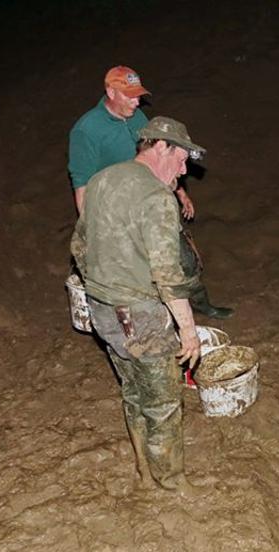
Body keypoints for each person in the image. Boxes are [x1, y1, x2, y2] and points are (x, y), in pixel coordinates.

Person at [70, 116, 209, 493]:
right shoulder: (156, 197)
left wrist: (104, 286)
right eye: (182, 159)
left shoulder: (101, 181)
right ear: (160, 146)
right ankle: (173, 484)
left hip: (103, 311)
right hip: (141, 317)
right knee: (163, 402)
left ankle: (144, 471)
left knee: (133, 391)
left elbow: (80, 246)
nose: (185, 170)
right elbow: (167, 273)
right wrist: (188, 330)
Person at [68, 66, 232, 320]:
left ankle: (199, 302)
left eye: (139, 95)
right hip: (118, 211)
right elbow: (82, 186)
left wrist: (179, 191)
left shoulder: (137, 118)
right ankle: (155, 320)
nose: (137, 101)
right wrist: (93, 230)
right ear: (110, 92)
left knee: (184, 258)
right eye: (129, 96)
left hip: (151, 200)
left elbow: (157, 157)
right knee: (139, 272)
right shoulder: (87, 130)